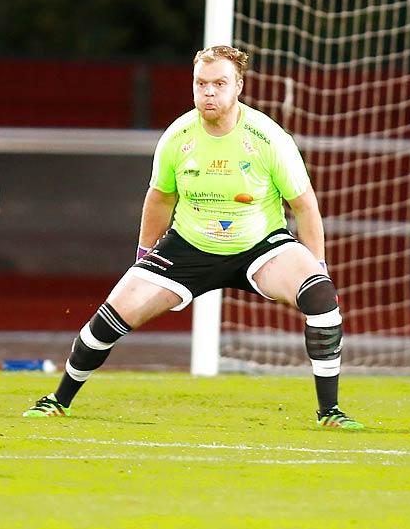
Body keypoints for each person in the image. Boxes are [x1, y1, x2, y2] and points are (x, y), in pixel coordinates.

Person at [23, 44, 363, 428]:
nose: (209, 93)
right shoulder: (177, 137)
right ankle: (58, 400)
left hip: (261, 246)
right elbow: (159, 198)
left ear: (239, 87)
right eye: (201, 83)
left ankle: (330, 412)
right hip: (188, 245)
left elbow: (304, 206)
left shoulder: (269, 138)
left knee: (321, 296)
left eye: (219, 83)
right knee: (112, 314)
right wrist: (144, 259)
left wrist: (316, 268)